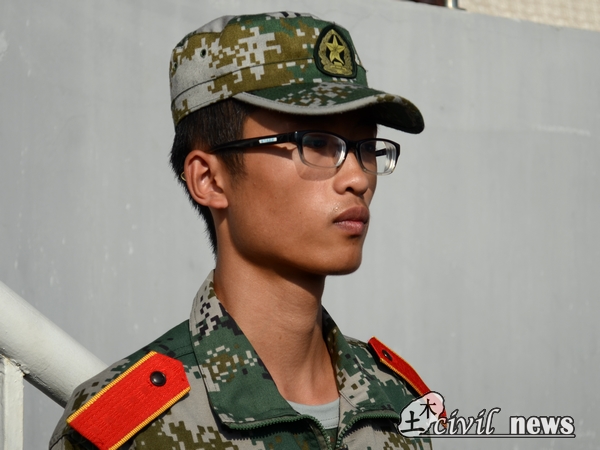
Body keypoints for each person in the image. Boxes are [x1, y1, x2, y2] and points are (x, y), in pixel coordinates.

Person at [50, 11, 436, 450]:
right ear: (209, 180)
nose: (358, 178)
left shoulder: (398, 401)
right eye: (316, 143)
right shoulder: (132, 434)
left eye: (366, 148)